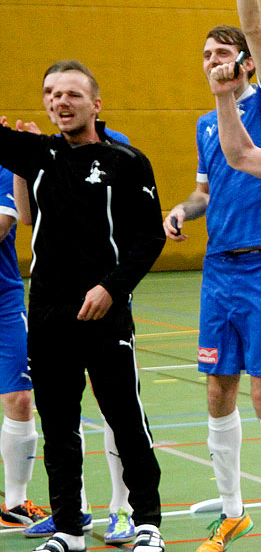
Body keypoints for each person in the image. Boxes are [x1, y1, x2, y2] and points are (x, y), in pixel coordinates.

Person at [163, 0, 261, 551]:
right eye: (204, 54)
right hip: (219, 267)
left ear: (245, 62)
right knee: (218, 386)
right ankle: (231, 508)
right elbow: (206, 189)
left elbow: (254, 21)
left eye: (222, 52)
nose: (211, 59)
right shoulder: (203, 122)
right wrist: (182, 212)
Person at [0, 67, 166, 552]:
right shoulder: (39, 155)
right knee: (58, 426)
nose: (60, 101)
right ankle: (69, 529)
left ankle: (148, 523)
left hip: (104, 313)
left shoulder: (127, 161)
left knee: (125, 419)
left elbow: (149, 237)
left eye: (72, 93)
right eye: (51, 93)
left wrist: (112, 288)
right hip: (49, 316)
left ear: (96, 104)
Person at [0, 165, 45, 531]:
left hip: (3, 299)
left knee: (20, 398)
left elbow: (3, 224)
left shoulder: (3, 168)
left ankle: (15, 500)